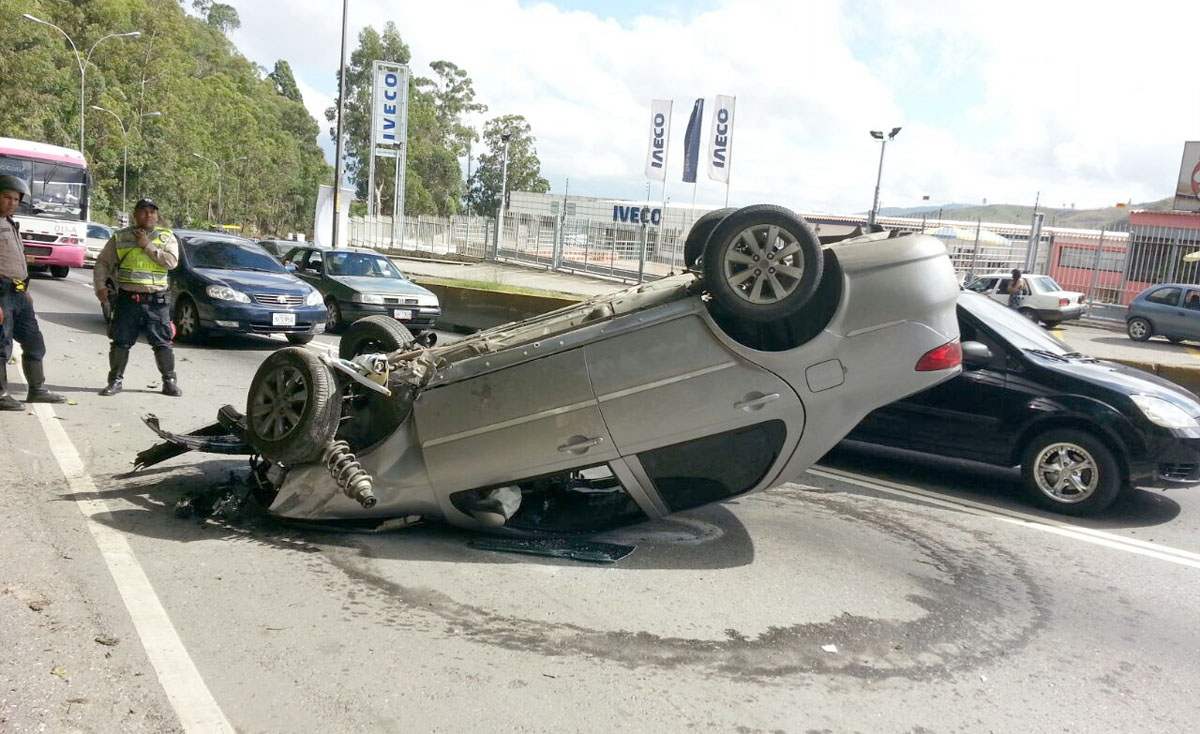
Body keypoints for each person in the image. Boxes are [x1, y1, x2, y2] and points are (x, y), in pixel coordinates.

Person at [93, 198, 181, 397]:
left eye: (152, 212)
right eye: (143, 211)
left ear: (157, 216)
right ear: (135, 215)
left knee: (162, 342)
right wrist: (100, 286)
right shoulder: (120, 237)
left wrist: (147, 245)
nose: (148, 215)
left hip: (156, 299)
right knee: (120, 341)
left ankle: (170, 382)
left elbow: (171, 262)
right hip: (128, 299)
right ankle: (115, 381)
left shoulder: (167, 237)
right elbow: (102, 263)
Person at [0, 175, 66, 410]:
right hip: (1, 295)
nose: (11, 202)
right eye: (6, 197)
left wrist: (24, 290)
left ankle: (37, 389)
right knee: (1, 346)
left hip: (18, 293)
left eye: (15, 199)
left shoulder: (9, 222)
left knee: (34, 342)